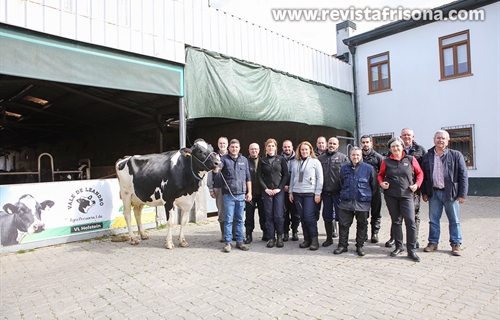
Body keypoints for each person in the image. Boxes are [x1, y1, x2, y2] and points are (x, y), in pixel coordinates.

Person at [421, 130, 468, 256]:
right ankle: (433, 242)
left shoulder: (456, 155)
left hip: (450, 193)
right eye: (438, 138)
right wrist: (424, 193)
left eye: (443, 138)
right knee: (433, 220)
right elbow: (424, 176)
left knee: (454, 220)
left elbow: (463, 175)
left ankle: (456, 244)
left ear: (447, 141)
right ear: (434, 139)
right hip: (434, 193)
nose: (440, 140)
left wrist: (462, 194)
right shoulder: (427, 156)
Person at [378, 137, 423, 262]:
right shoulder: (386, 161)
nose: (395, 148)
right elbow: (380, 175)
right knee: (396, 221)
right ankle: (399, 246)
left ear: (402, 147)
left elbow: (420, 173)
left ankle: (411, 250)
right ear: (390, 149)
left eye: (397, 146)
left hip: (407, 195)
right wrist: (381, 183)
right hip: (391, 195)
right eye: (393, 147)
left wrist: (417, 185)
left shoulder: (410, 159)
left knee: (410, 222)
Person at [385, 128, 426, 248]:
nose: (407, 137)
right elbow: (386, 169)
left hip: (412, 190)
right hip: (394, 191)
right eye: (404, 135)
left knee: (413, 216)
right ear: (401, 137)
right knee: (396, 217)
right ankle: (395, 239)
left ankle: (414, 240)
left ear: (413, 137)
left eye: (409, 135)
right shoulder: (391, 152)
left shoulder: (420, 150)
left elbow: (422, 171)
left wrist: (418, 185)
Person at [334, 147, 378, 256]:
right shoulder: (344, 168)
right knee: (343, 225)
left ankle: (360, 246)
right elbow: (341, 183)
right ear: (350, 156)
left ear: (361, 155)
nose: (355, 157)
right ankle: (342, 245)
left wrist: (366, 196)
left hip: (362, 202)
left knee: (362, 225)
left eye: (358, 155)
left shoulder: (369, 168)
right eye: (353, 155)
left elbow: (374, 186)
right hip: (346, 201)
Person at [289, 141, 323, 251]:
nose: (304, 151)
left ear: (310, 151)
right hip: (297, 193)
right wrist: (290, 192)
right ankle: (307, 239)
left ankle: (314, 240)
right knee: (302, 217)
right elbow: (292, 178)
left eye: (306, 150)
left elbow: (320, 178)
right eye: (302, 150)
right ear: (299, 151)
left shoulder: (315, 162)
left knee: (309, 216)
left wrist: (318, 193)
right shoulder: (295, 163)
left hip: (310, 193)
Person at [219, 139, 252, 253]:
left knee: (240, 219)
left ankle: (239, 241)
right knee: (228, 219)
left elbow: (248, 178)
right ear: (229, 148)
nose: (234, 149)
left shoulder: (244, 160)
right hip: (229, 195)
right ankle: (228, 243)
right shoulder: (223, 160)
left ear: (239, 148)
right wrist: (215, 166)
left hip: (241, 194)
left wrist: (249, 192)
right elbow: (216, 171)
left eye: (236, 147)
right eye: (232, 147)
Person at [257, 138, 289, 248]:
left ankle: (279, 236)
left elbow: (285, 175)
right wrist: (265, 188)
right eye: (268, 146)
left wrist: (280, 188)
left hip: (278, 191)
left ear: (276, 147)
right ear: (266, 148)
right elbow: (258, 176)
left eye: (272, 146)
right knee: (269, 215)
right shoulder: (262, 160)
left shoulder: (281, 159)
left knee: (279, 215)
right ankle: (271, 237)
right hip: (267, 192)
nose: (270, 148)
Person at [318, 137, 348, 247]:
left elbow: (347, 176)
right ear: (327, 144)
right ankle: (329, 238)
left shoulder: (343, 158)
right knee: (327, 216)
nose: (331, 145)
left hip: (339, 193)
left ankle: (342, 240)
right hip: (326, 193)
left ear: (338, 145)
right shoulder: (320, 158)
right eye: (330, 143)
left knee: (342, 217)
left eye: (334, 144)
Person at [360, 135, 384, 243]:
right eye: (363, 142)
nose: (365, 144)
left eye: (367, 142)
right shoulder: (358, 156)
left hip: (375, 190)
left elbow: (383, 173)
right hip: (361, 190)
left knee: (376, 212)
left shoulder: (378, 157)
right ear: (361, 144)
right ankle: (363, 233)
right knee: (362, 213)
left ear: (371, 143)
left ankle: (375, 233)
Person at [207, 136, 228, 242]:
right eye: (221, 143)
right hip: (218, 187)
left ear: (227, 144)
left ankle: (232, 233)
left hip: (231, 188)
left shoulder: (231, 156)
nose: (222, 145)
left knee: (232, 211)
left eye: (224, 143)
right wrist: (210, 188)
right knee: (221, 212)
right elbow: (210, 173)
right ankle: (223, 234)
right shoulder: (214, 157)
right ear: (218, 144)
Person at [244, 143, 265, 244]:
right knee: (249, 215)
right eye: (252, 149)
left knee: (264, 214)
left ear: (259, 150)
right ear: (249, 150)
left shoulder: (264, 161)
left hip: (262, 193)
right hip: (250, 194)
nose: (254, 151)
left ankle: (265, 233)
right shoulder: (245, 162)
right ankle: (248, 234)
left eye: (256, 149)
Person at [281, 140, 300, 241]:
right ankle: (285, 232)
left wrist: (293, 187)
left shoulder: (298, 159)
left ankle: (295, 231)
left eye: (289, 147)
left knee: (295, 213)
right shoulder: (279, 159)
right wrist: (283, 186)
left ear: (292, 147)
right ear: (282, 148)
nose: (287, 149)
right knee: (284, 213)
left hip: (295, 191)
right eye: (285, 147)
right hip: (283, 191)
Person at [313, 136, 327, 221]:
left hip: (327, 186)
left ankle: (333, 229)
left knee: (329, 210)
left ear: (326, 144)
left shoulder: (330, 154)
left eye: (323, 142)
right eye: (319, 143)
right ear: (316, 144)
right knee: (315, 209)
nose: (321, 144)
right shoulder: (312, 155)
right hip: (315, 186)